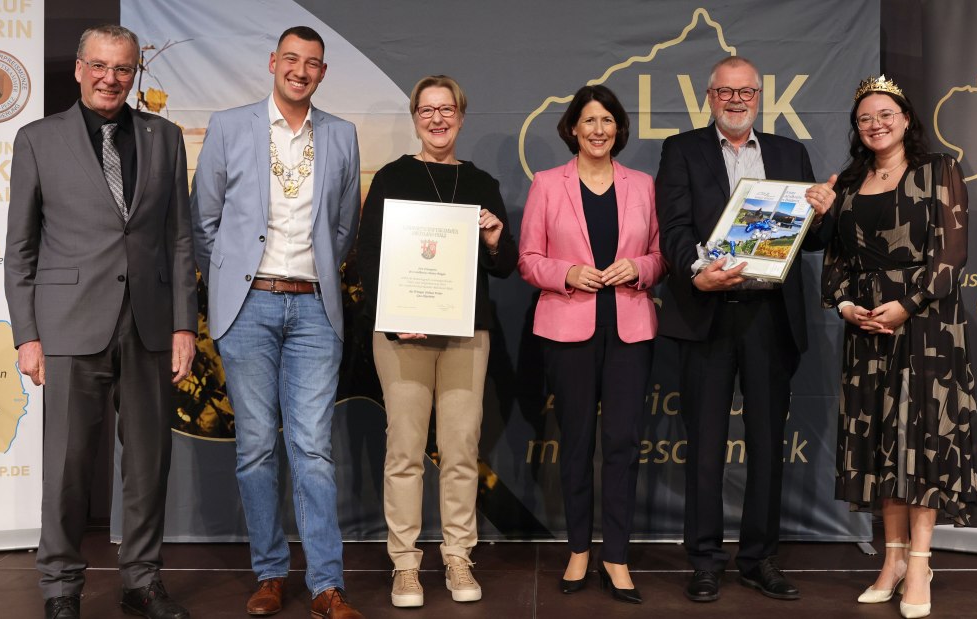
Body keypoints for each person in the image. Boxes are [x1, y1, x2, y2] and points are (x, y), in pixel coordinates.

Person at [4, 24, 196, 619]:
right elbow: (20, 247)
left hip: (149, 324)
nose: (111, 79)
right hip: (67, 325)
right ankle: (61, 588)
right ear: (80, 69)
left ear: (134, 73)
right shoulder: (37, 138)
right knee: (66, 468)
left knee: (147, 464)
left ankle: (142, 582)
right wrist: (27, 334)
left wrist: (184, 326)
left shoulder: (163, 137)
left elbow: (180, 239)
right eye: (101, 67)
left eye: (124, 69)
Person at [189, 27, 363, 619]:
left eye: (312, 63)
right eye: (291, 59)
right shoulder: (231, 126)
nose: (301, 70)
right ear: (272, 63)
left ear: (321, 73)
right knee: (257, 448)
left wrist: (312, 278)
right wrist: (235, 284)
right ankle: (269, 573)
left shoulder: (341, 134)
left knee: (313, 449)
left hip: (315, 307)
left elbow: (344, 228)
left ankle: (325, 584)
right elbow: (203, 223)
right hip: (249, 308)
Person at [654, 56, 834, 603]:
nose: (737, 100)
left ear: (760, 97)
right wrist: (695, 272)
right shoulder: (681, 150)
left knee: (765, 445)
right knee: (705, 446)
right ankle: (705, 560)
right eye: (726, 92)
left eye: (747, 92)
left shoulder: (788, 153)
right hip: (707, 313)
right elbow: (674, 228)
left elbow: (812, 243)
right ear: (709, 96)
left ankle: (759, 558)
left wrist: (822, 214)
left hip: (768, 318)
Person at [820, 75, 977, 619]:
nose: (876, 124)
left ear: (906, 119)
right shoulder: (846, 181)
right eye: (865, 117)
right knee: (880, 443)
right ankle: (890, 561)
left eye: (886, 114)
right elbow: (837, 261)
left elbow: (950, 254)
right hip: (866, 327)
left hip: (925, 326)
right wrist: (845, 305)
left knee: (920, 438)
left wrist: (907, 305)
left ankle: (919, 561)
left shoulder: (938, 170)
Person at [355, 75, 517, 608]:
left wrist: (494, 238)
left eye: (447, 110)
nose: (438, 119)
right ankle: (405, 566)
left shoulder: (481, 183)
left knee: (460, 450)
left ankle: (457, 556)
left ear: (462, 117)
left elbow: (505, 265)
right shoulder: (391, 178)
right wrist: (401, 314)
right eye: (427, 110)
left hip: (466, 334)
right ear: (415, 117)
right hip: (401, 334)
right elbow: (368, 259)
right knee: (403, 450)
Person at [519, 85, 666, 605]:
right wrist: (568, 273)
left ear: (618, 128)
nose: (599, 129)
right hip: (568, 330)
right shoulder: (546, 184)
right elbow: (529, 259)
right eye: (589, 121)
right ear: (573, 130)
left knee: (623, 446)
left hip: (630, 330)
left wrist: (641, 267)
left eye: (607, 120)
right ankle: (578, 549)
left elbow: (660, 255)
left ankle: (617, 556)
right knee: (577, 443)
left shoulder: (644, 186)